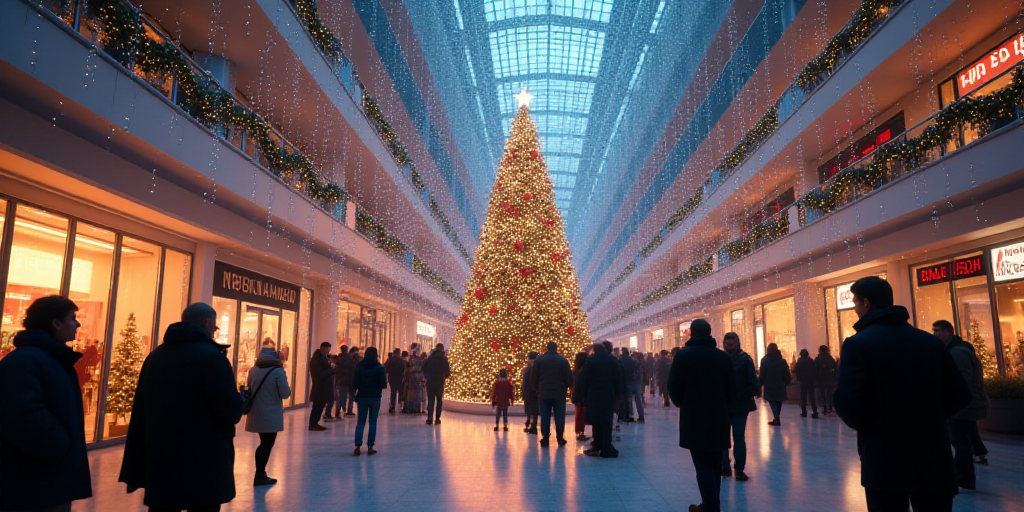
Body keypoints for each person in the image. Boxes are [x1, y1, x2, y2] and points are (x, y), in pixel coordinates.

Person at [834, 277, 971, 512]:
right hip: (932, 452)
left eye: (855, 303)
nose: (856, 309)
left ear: (866, 303)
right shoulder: (931, 343)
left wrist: (871, 426)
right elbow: (960, 394)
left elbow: (849, 402)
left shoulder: (858, 344)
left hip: (884, 455)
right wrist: (933, 418)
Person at [119, 303, 244, 512]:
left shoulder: (155, 356)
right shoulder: (212, 357)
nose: (214, 332)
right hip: (203, 458)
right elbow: (230, 410)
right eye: (214, 327)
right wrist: (241, 400)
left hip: (162, 456)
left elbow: (141, 406)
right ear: (207, 323)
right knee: (203, 504)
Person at [0, 296, 92, 512]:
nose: (77, 324)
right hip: (34, 480)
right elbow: (22, 414)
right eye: (73, 318)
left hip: (45, 477)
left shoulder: (48, 359)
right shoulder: (27, 361)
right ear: (56, 323)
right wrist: (59, 446)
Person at [667, 319, 735, 512]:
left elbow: (673, 386)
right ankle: (712, 503)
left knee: (702, 463)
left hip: (694, 417)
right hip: (719, 416)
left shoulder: (683, 356)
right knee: (715, 462)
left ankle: (711, 506)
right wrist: (723, 405)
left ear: (692, 334)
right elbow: (732, 388)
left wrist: (683, 403)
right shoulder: (723, 358)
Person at [932, 319, 990, 491]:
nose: (935, 335)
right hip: (965, 405)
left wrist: (953, 403)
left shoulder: (957, 352)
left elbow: (963, 381)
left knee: (959, 441)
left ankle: (964, 478)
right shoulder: (955, 350)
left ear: (948, 332)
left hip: (962, 406)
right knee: (963, 439)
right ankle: (965, 475)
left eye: (938, 331)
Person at [244, 346, 291, 486]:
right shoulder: (278, 371)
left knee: (263, 442)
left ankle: (260, 473)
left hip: (257, 411)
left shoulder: (253, 370)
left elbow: (249, 388)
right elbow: (285, 393)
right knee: (267, 443)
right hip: (271, 412)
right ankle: (260, 474)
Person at [721, 332, 757, 482]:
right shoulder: (721, 359)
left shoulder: (744, 360)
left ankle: (738, 468)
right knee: (726, 438)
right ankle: (726, 467)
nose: (729, 346)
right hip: (724, 406)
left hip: (738, 406)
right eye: (727, 343)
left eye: (731, 343)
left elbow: (753, 384)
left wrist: (741, 394)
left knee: (737, 437)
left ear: (737, 343)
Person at [579, 342, 624, 458]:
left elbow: (585, 379)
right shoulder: (612, 360)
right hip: (608, 393)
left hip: (593, 394)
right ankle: (606, 447)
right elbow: (618, 378)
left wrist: (584, 394)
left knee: (596, 420)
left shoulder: (590, 361)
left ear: (594, 350)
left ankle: (597, 445)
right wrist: (619, 393)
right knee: (606, 421)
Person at [530, 341, 574, 446]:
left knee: (545, 415)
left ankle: (545, 438)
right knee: (559, 416)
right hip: (559, 393)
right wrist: (568, 388)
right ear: (556, 348)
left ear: (547, 348)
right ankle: (560, 437)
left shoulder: (539, 361)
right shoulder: (563, 361)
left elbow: (533, 379)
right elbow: (569, 378)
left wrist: (537, 389)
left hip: (544, 393)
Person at [352, 347, 387, 455]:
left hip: (362, 396)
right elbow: (383, 384)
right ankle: (370, 446)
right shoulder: (380, 368)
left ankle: (357, 446)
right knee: (373, 422)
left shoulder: (360, 366)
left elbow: (355, 383)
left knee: (360, 422)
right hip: (375, 397)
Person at [759, 342, 791, 426]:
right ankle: (776, 417)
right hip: (780, 384)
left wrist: (759, 384)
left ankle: (776, 417)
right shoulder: (782, 361)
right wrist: (787, 381)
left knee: (772, 401)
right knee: (778, 401)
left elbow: (762, 374)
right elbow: (786, 373)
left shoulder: (765, 361)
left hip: (769, 384)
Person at [307, 342, 334, 431]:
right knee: (317, 406)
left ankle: (315, 423)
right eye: (328, 348)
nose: (329, 351)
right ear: (324, 348)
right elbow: (318, 374)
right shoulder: (317, 359)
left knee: (320, 405)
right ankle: (312, 424)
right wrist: (332, 371)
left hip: (323, 387)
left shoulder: (323, 358)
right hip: (319, 387)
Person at [422, 343, 450, 425]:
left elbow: (423, 367)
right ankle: (437, 418)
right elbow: (447, 372)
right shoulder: (444, 359)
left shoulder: (430, 358)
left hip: (430, 381)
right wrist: (444, 376)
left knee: (431, 400)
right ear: (442, 349)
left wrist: (427, 376)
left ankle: (429, 418)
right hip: (440, 382)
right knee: (439, 400)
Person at [619, 347, 644, 422]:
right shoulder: (633, 361)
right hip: (635, 381)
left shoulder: (620, 361)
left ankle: (631, 416)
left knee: (629, 399)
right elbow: (639, 370)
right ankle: (641, 415)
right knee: (638, 399)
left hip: (626, 382)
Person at [794, 348, 819, 419]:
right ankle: (815, 411)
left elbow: (796, 370)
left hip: (803, 381)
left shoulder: (800, 361)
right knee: (812, 396)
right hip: (810, 380)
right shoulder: (811, 361)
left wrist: (798, 377)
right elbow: (815, 370)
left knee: (803, 396)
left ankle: (804, 411)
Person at [571, 351, 590, 441]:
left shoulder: (576, 370)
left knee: (579, 414)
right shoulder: (582, 370)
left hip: (577, 394)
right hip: (580, 395)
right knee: (581, 414)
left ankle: (579, 431)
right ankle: (579, 432)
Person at [334, 346, 357, 417]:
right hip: (350, 380)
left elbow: (336, 370)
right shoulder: (351, 359)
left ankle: (337, 411)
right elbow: (353, 370)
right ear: (347, 350)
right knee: (351, 396)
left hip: (340, 381)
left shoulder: (338, 359)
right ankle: (349, 410)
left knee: (341, 397)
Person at [815, 345, 837, 414]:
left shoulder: (818, 359)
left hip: (821, 379)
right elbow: (835, 368)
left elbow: (815, 370)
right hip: (830, 379)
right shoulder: (831, 358)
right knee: (829, 394)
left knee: (822, 394)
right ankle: (830, 407)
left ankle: (824, 407)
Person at [521, 351, 539, 434]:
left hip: (528, 393)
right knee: (534, 411)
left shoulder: (527, 369)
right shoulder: (537, 368)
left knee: (529, 410)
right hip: (534, 394)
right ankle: (533, 425)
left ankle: (530, 424)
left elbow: (525, 383)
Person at [384, 348, 405, 414]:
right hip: (399, 377)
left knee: (393, 392)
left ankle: (392, 406)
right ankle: (401, 406)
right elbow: (403, 368)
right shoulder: (400, 360)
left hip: (392, 377)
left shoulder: (390, 360)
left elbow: (386, 368)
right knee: (400, 392)